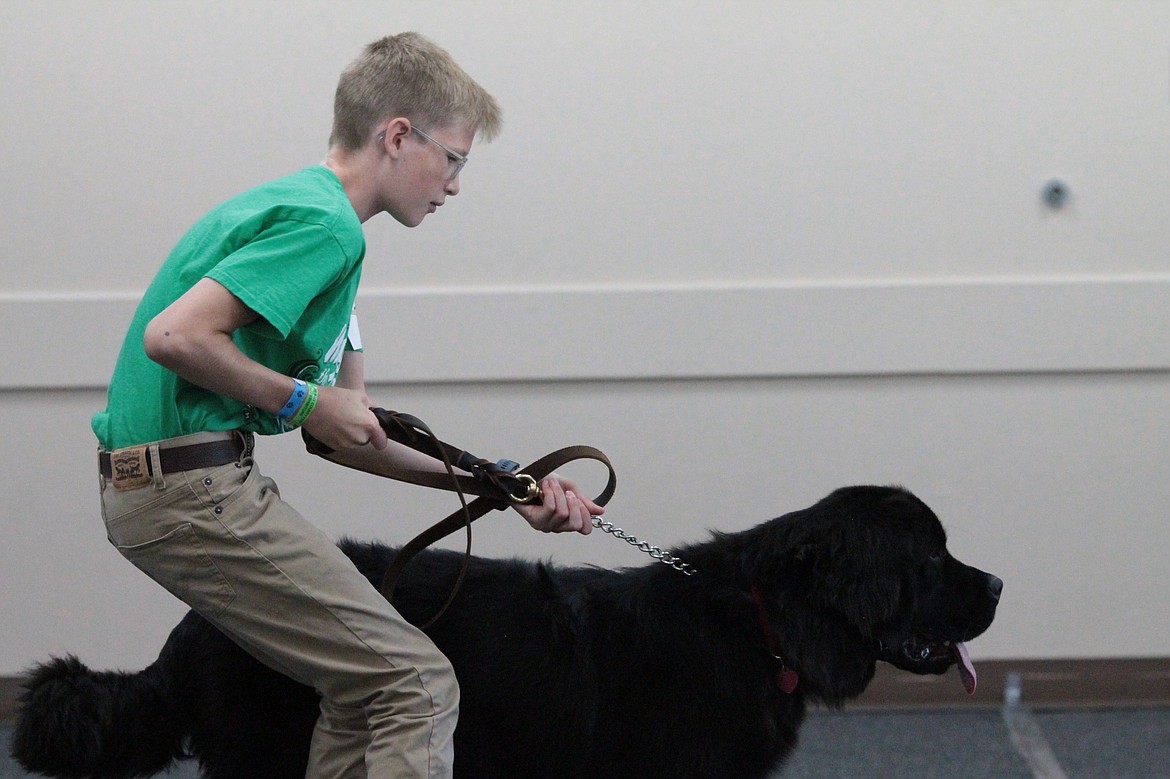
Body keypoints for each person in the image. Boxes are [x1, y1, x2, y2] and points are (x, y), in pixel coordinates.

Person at [92, 32, 602, 778]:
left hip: (181, 487)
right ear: (397, 135)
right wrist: (304, 402)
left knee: (367, 689)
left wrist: (500, 487)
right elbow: (175, 337)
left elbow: (350, 430)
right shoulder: (323, 226)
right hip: (186, 492)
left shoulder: (318, 225)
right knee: (418, 683)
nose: (455, 183)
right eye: (453, 158)